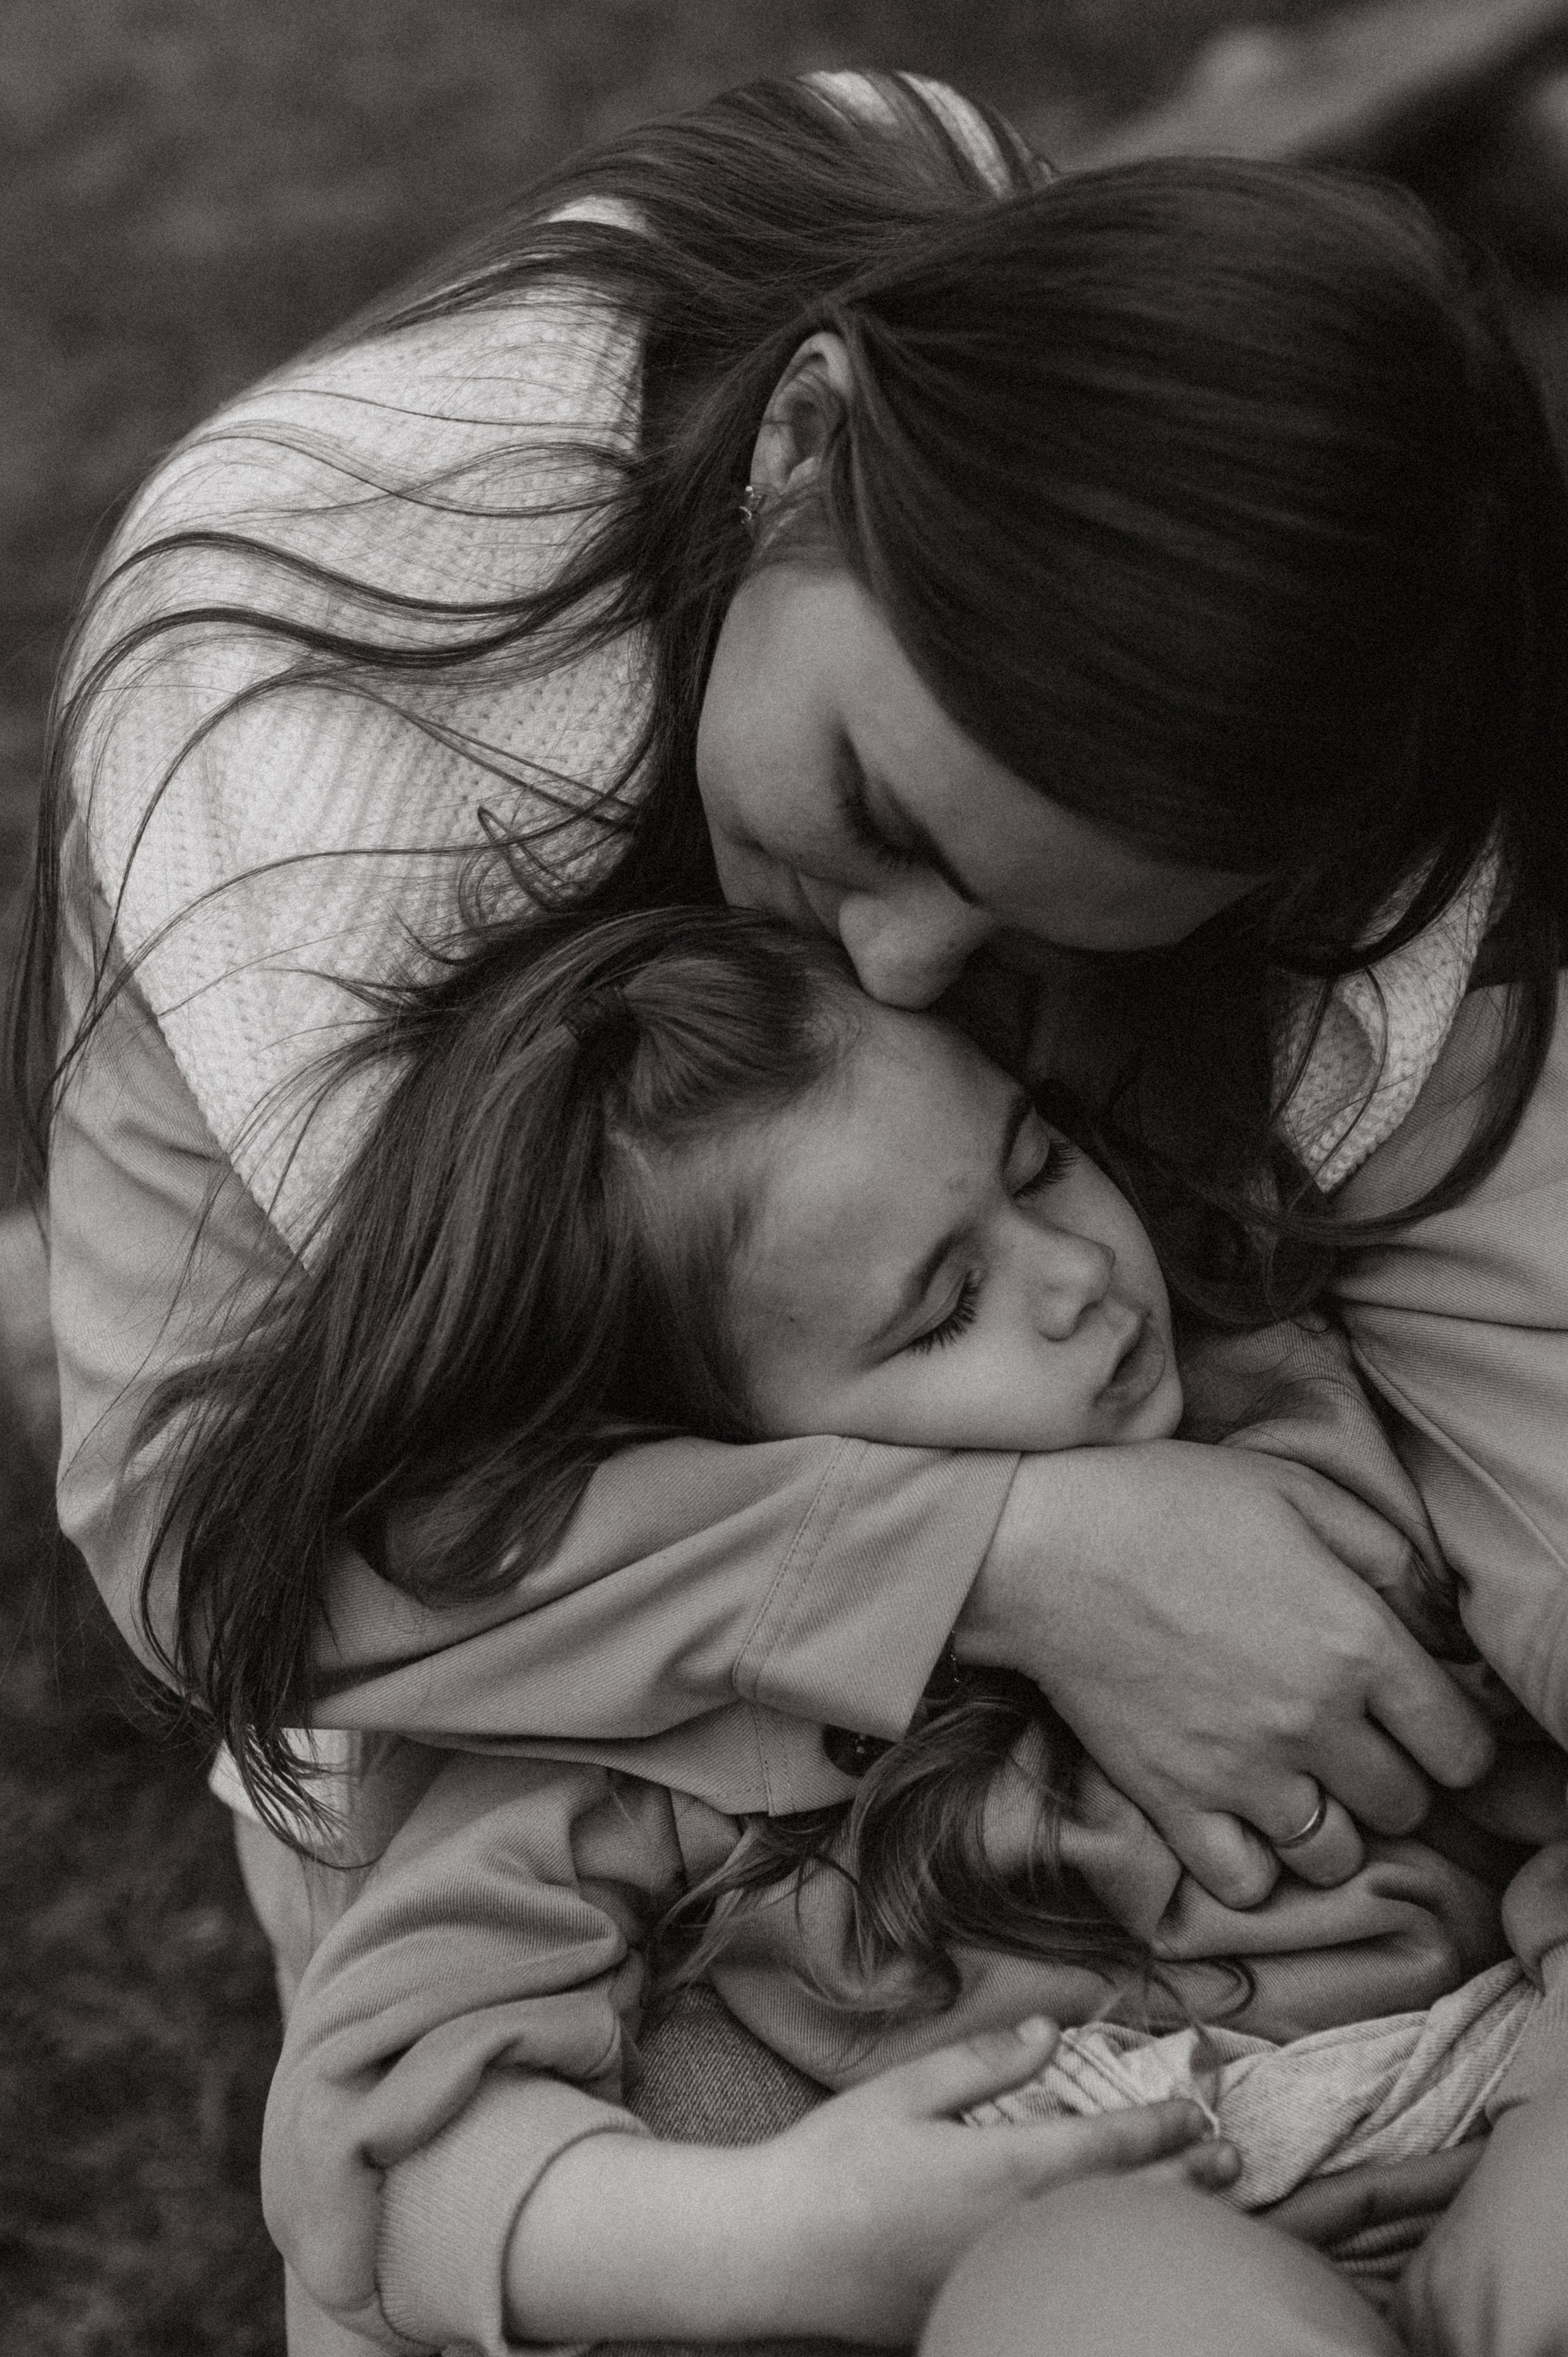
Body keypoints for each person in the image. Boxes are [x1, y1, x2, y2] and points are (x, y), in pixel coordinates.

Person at [15, 62, 1568, 2353]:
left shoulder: (1268, 1357)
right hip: (857, 2042)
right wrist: (1005, 1553)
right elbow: (229, 1555)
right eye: (883, 810)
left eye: (1053, 998)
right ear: (795, 444)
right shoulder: (300, 720)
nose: (904, 973)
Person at [167, 899, 1553, 2355]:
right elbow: (377, 2143)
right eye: (947, 1307)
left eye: (1042, 1159)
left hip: (1483, 2118)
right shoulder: (683, 1722)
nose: (1074, 1273)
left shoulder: (1284, 1429)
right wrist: (787, 2240)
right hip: (1079, 2253)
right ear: (721, 1444)